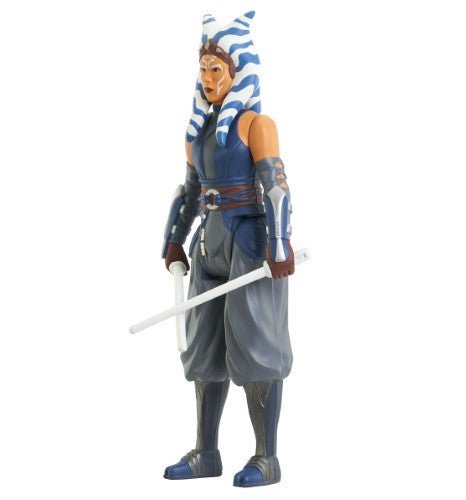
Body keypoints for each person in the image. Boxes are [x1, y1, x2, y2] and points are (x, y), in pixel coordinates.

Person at [161, 11, 295, 487]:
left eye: (216, 69)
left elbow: (276, 187)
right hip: (208, 242)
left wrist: (279, 243)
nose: (208, 78)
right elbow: (190, 191)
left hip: (249, 242)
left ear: (238, 72)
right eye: (203, 69)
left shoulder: (257, 124)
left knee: (256, 342)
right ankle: (206, 452)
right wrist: (174, 239)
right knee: (204, 347)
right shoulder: (196, 132)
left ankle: (266, 457)